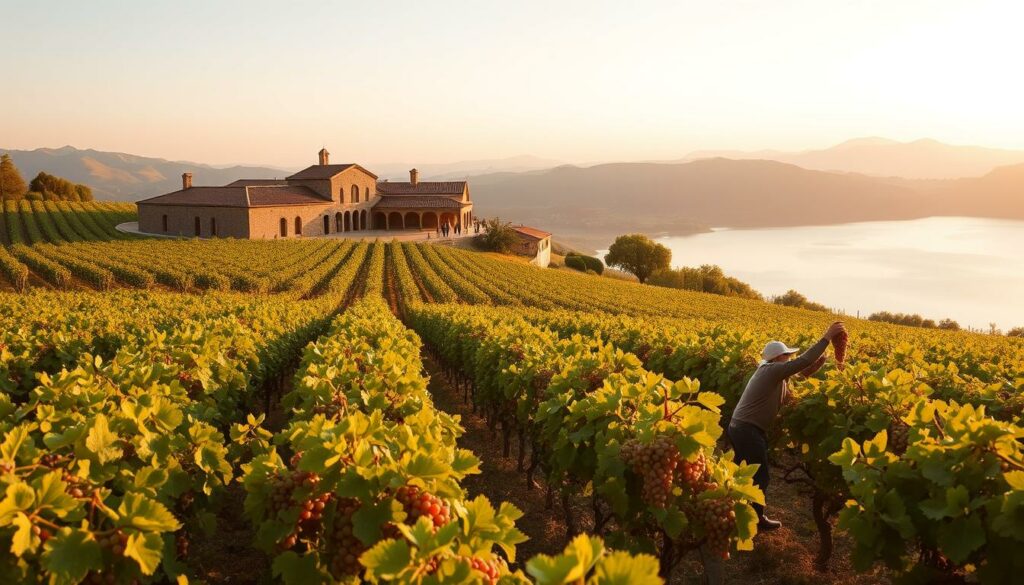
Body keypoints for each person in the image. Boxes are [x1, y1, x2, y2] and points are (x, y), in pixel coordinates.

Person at [727, 321, 846, 531]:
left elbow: (798, 374)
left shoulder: (773, 374)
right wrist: (827, 337)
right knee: (760, 475)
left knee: (742, 472)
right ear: (777, 358)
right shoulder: (770, 370)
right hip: (746, 430)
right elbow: (802, 361)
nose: (789, 358)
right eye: (787, 356)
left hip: (741, 428)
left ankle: (730, 510)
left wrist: (816, 367)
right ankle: (755, 519)